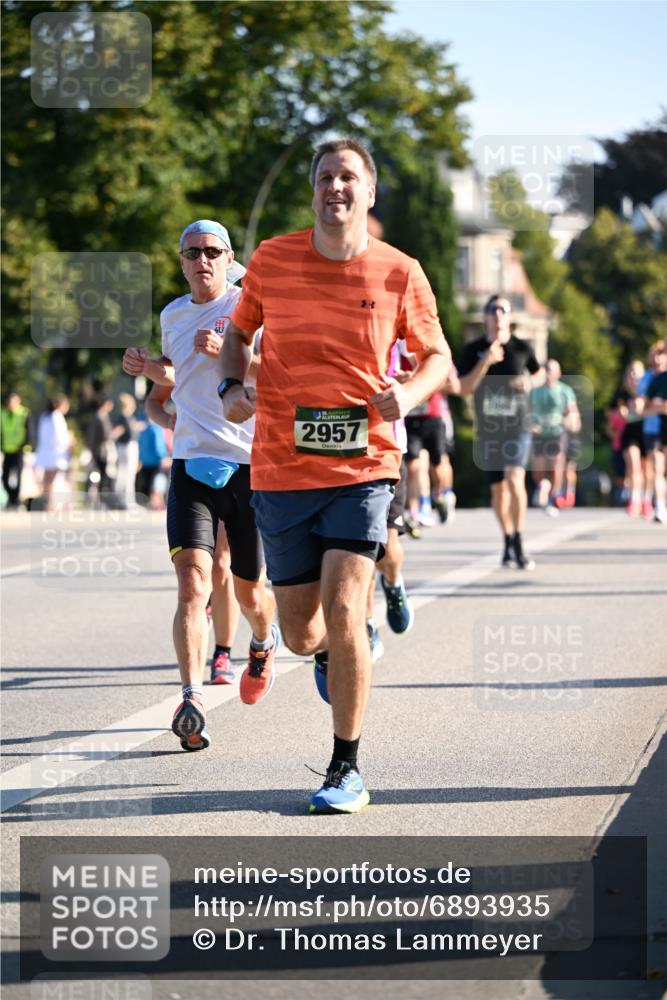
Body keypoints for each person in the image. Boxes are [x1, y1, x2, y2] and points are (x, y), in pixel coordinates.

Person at [220, 138, 451, 814]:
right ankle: (324, 655)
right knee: (301, 632)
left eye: (347, 176)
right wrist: (235, 384)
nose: (335, 187)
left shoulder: (398, 271)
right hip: (281, 468)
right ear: (313, 191)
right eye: (324, 177)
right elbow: (238, 331)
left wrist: (405, 398)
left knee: (348, 607)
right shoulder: (269, 260)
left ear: (368, 193)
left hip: (364, 465)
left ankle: (344, 767)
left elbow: (434, 356)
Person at [122, 219, 278, 751]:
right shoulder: (171, 313)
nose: (202, 260)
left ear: (228, 256)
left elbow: (276, 372)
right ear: (182, 260)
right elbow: (175, 374)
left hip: (247, 466)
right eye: (192, 253)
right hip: (190, 464)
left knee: (249, 590)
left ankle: (261, 641)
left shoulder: (249, 307)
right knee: (193, 584)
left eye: (212, 251)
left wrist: (230, 355)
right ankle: (191, 698)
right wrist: (149, 367)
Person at [146, 382, 241, 682]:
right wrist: (168, 420)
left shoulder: (245, 342)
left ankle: (223, 652)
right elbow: (155, 402)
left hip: (240, 464)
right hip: (194, 467)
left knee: (224, 564)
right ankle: (193, 687)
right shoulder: (185, 339)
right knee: (195, 575)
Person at [457, 296, 544, 569]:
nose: (497, 314)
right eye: (492, 310)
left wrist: (529, 382)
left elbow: (540, 374)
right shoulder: (473, 350)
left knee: (515, 477)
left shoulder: (521, 347)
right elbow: (464, 388)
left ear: (509, 316)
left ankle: (518, 540)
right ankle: (507, 537)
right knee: (498, 490)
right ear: (485, 316)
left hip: (518, 424)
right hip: (489, 427)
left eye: (502, 310)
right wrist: (486, 362)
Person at [529, 359, 580, 515]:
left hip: (557, 432)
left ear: (558, 373)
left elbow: (573, 413)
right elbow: (525, 412)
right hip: (539, 434)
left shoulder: (565, 391)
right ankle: (543, 485)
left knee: (556, 464)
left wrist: (571, 420)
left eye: (551, 370)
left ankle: (553, 497)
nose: (548, 373)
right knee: (538, 469)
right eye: (546, 369)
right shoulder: (534, 391)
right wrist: (529, 424)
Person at [638, 340, 667, 523]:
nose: (657, 358)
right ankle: (659, 506)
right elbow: (643, 407)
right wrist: (658, 407)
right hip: (654, 429)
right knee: (657, 466)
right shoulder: (655, 380)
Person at [34, 394, 73, 511]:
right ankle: (49, 503)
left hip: (46, 452)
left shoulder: (45, 416)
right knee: (52, 479)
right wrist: (69, 441)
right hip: (55, 453)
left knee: (48, 479)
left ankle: (47, 502)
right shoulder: (57, 416)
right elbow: (59, 437)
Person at [1, 391, 34, 509]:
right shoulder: (3, 413)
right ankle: (12, 497)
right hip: (7, 449)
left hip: (19, 450)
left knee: (18, 476)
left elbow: (29, 432)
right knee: (5, 477)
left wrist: (25, 445)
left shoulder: (24, 413)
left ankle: (15, 500)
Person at [113, 393, 140, 509]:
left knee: (124, 473)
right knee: (128, 473)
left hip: (126, 446)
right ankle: (127, 501)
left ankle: (122, 499)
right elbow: (118, 431)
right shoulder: (124, 417)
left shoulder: (127, 417)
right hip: (127, 446)